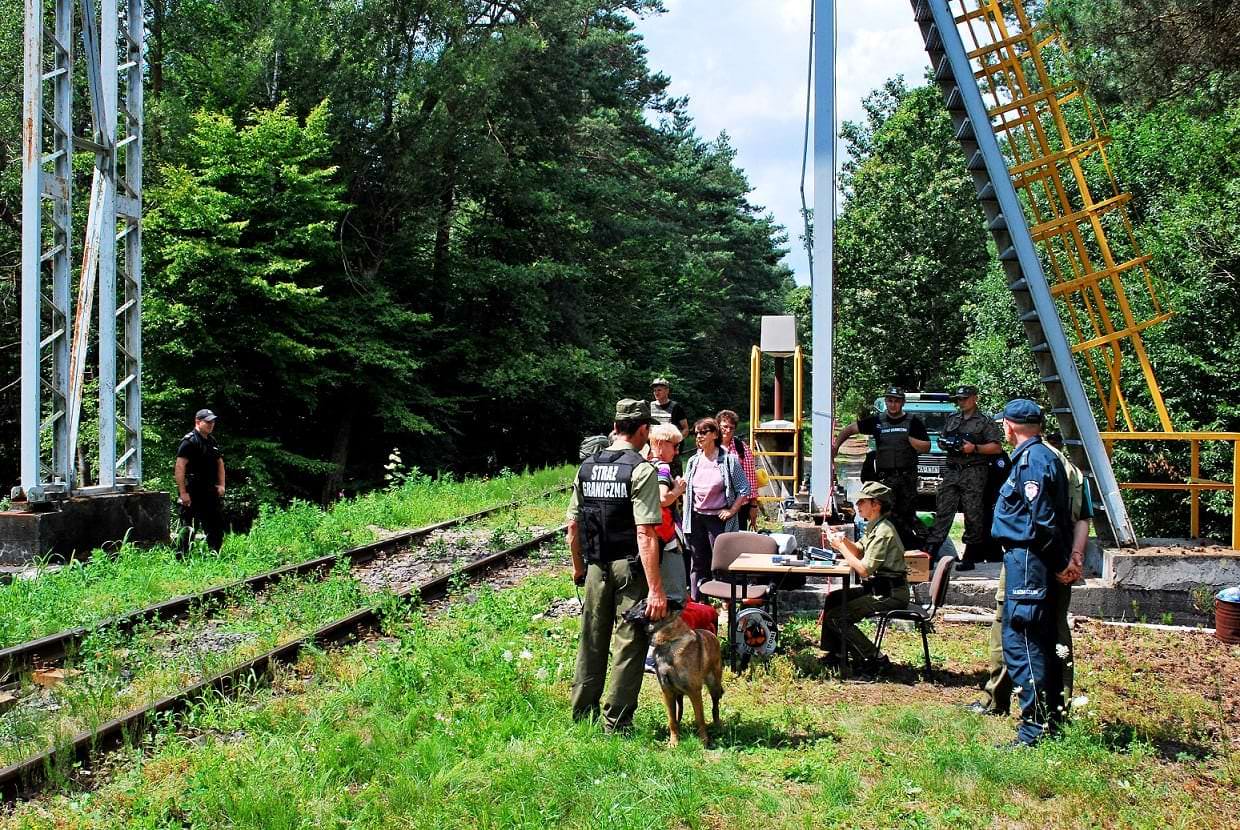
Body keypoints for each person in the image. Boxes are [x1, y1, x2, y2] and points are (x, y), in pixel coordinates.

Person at [972, 432, 1092, 717]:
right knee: (1055, 630)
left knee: (1010, 623)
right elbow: (1084, 519)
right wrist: (1074, 557)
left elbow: (1037, 519)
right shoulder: (1075, 474)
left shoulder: (1030, 463)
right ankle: (1057, 705)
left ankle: (1001, 700)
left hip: (1030, 559)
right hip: (1060, 557)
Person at [568, 399, 668, 733]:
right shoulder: (641, 470)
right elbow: (646, 533)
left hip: (596, 565)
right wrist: (655, 589)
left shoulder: (587, 468)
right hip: (628, 566)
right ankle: (616, 721)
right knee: (630, 640)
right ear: (643, 430)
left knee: (592, 639)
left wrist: (578, 567)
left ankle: (582, 713)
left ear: (614, 428)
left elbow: (573, 527)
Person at [989, 399, 1073, 747]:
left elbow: (1043, 521)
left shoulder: (1032, 461)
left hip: (1028, 562)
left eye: (1004, 424)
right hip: (1032, 560)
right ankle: (1049, 720)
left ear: (1010, 426)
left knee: (1022, 642)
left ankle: (1034, 729)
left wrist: (1058, 564)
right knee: (1037, 640)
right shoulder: (1044, 456)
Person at [819, 480, 909, 674]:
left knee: (837, 618)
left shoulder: (883, 531)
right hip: (881, 589)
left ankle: (874, 658)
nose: (857, 506)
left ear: (876, 505)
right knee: (834, 599)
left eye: (862, 502)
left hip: (890, 593)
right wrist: (843, 540)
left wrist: (840, 547)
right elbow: (859, 550)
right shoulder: (875, 526)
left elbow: (864, 570)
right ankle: (837, 654)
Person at [830, 387, 930, 546]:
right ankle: (886, 547)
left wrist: (910, 440)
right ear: (886, 402)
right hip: (885, 478)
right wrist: (835, 447)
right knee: (884, 514)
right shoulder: (877, 421)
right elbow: (850, 429)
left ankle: (919, 547)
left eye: (897, 401)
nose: (893, 404)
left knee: (907, 516)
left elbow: (926, 447)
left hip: (907, 477)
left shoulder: (913, 422)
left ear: (902, 403)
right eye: (890, 400)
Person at [923, 385, 1004, 570]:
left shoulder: (984, 421)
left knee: (973, 513)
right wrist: (946, 444)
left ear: (975, 398)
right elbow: (942, 439)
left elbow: (996, 447)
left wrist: (974, 448)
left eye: (965, 398)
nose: (961, 402)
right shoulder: (953, 418)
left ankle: (971, 555)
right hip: (952, 471)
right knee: (943, 510)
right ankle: (931, 551)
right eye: (959, 399)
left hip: (973, 471)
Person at [682, 417, 752, 601]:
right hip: (697, 518)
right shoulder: (693, 461)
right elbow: (686, 488)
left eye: (703, 432)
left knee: (722, 564)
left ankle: (727, 605)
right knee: (698, 563)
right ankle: (698, 604)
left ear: (714, 434)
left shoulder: (729, 460)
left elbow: (745, 488)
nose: (699, 437)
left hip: (719, 519)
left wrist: (732, 511)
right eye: (696, 433)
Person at [647, 422, 689, 604]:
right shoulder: (663, 467)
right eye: (674, 446)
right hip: (667, 537)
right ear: (661, 444)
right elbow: (663, 499)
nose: (677, 451)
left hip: (650, 535)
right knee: (675, 593)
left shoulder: (645, 464)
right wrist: (678, 490)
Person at [174, 409, 226, 552]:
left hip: (210, 489)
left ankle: (215, 555)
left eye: (213, 422)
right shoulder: (189, 441)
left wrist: (222, 485)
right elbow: (180, 467)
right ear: (198, 422)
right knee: (188, 527)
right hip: (193, 489)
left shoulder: (211, 441)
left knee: (215, 525)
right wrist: (183, 493)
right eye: (208, 422)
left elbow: (219, 463)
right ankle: (182, 559)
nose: (211, 424)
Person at [716, 409, 759, 530]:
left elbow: (751, 481)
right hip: (715, 505)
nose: (728, 430)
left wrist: (753, 506)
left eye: (731, 427)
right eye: (724, 426)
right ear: (717, 426)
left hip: (739, 506)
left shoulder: (742, 448)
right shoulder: (709, 447)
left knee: (737, 543)